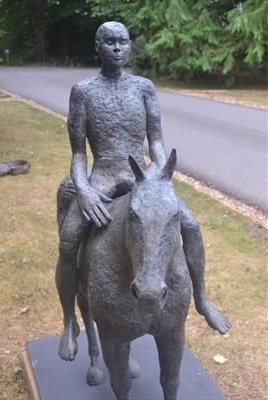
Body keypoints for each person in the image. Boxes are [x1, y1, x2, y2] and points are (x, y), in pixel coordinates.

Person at [56, 21, 230, 361]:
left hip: (144, 180)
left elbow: (156, 141)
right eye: (110, 42)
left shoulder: (145, 88)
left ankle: (203, 299)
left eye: (123, 42)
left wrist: (161, 176)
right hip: (103, 177)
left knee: (191, 225)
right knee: (69, 240)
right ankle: (68, 320)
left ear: (130, 46)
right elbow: (78, 153)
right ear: (98, 47)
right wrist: (84, 190)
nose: (117, 48)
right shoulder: (83, 91)